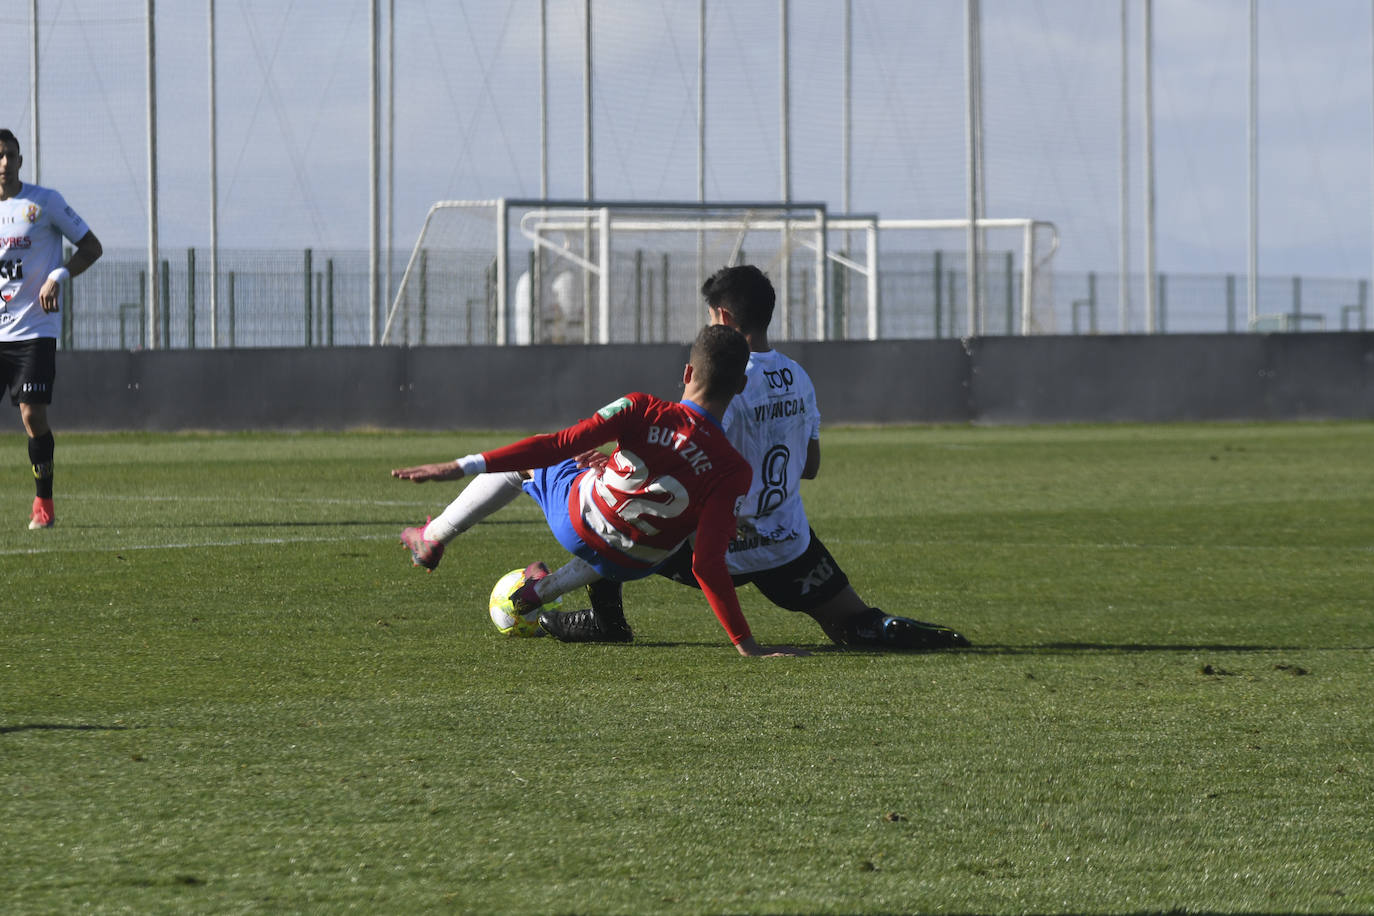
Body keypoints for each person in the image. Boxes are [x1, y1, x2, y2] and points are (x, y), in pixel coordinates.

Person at [539, 264, 971, 651]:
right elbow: (810, 465)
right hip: (787, 542)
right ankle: (885, 627)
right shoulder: (798, 376)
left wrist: (611, 463)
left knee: (614, 513)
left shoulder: (721, 380)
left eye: (709, 318)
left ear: (722, 318)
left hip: (714, 545)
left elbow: (678, 462)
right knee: (850, 625)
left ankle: (606, 621)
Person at [390, 323, 807, 659]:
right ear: (738, 389)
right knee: (657, 528)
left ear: (686, 374)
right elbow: (708, 564)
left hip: (578, 523)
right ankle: (537, 593)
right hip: (637, 564)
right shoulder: (735, 470)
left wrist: (462, 465)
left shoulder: (641, 408)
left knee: (541, 464)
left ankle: (432, 538)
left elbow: (557, 444)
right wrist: (746, 645)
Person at [0, 128, 103, 530]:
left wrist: (58, 275)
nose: (5, 162)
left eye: (11, 155)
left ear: (21, 161)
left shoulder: (44, 202)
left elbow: (91, 247)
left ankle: (43, 502)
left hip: (34, 331)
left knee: (32, 416)